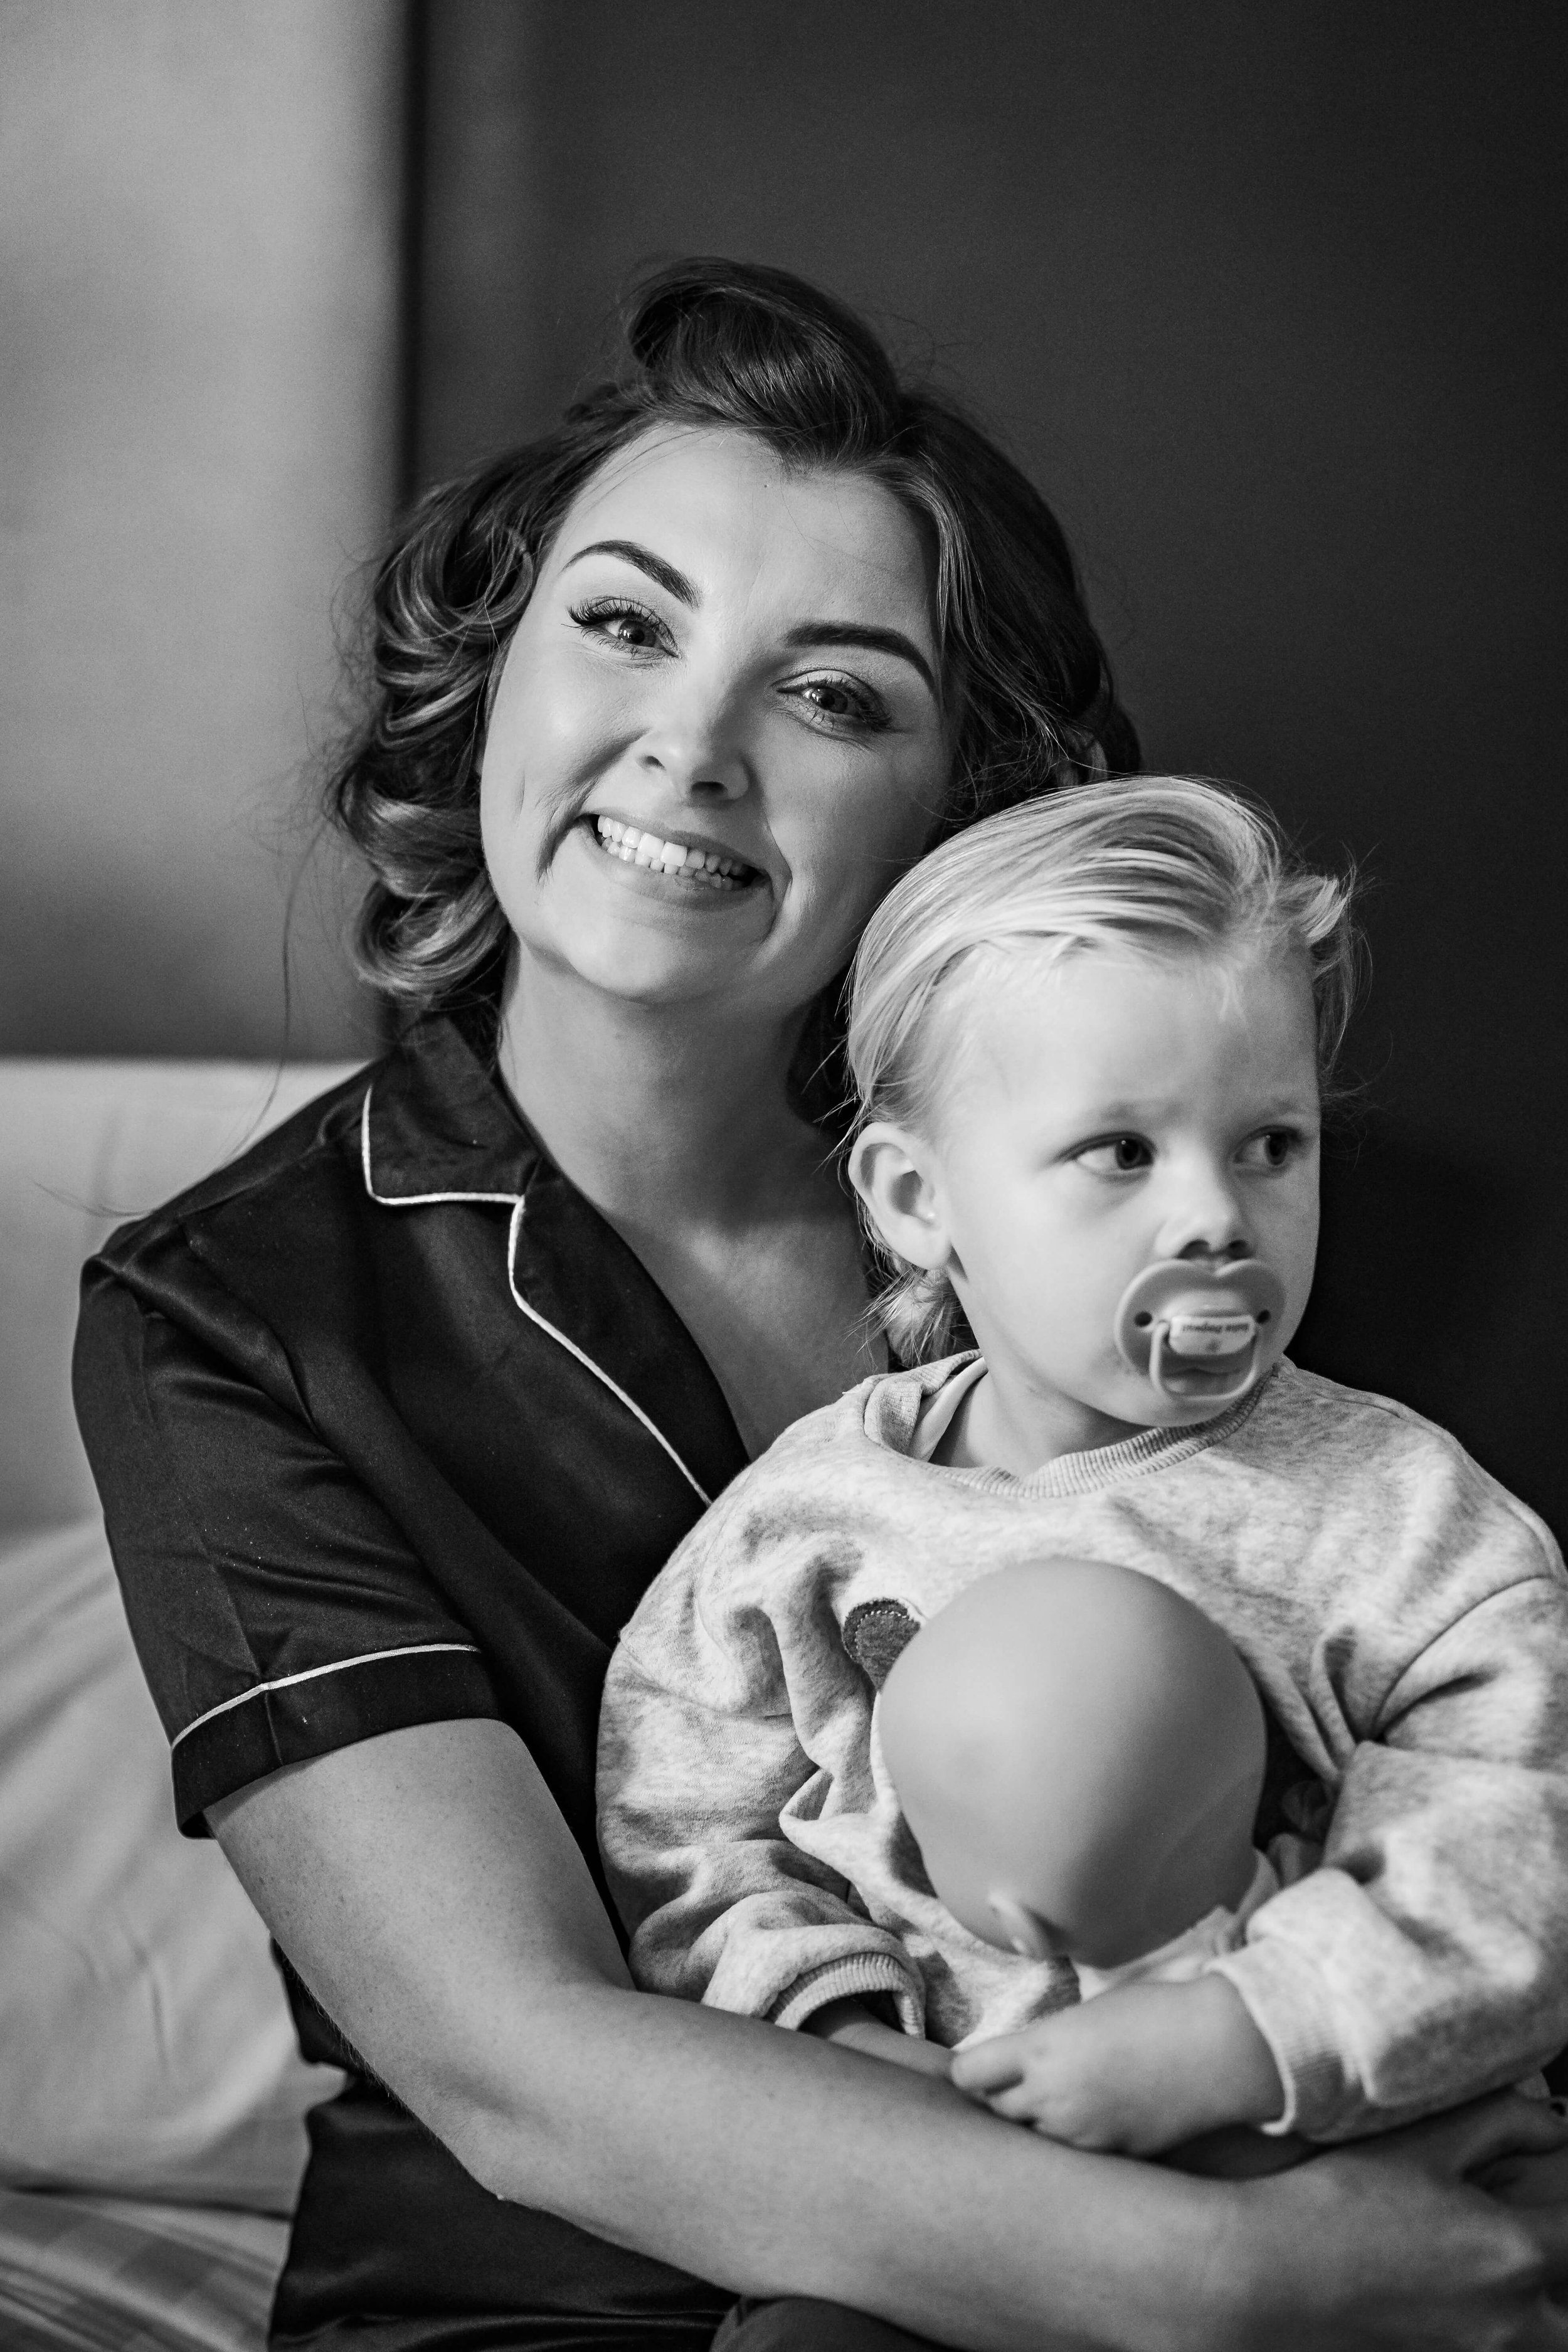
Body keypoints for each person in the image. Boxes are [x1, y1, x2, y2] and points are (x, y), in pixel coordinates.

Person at [72, 262, 1568, 2351]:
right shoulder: (235, 1314)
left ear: (960, 803)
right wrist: (1217, 2279)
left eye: (836, 689)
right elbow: (515, 2066)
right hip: (561, 2308)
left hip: (1287, 2141)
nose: (686, 744)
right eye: (624, 623)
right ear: (492, 672)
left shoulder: (1230, 1206)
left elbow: (1473, 1798)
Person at [596, 778, 1568, 2168]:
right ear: (916, 1202)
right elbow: (679, 1830)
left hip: (1327, 2171)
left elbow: (1515, 1857)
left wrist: (1245, 2032)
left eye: (1268, 1146)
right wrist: (845, 2050)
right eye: (1120, 1150)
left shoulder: (1402, 1522)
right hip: (938, 2187)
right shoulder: (809, 1522)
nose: (1216, 1217)